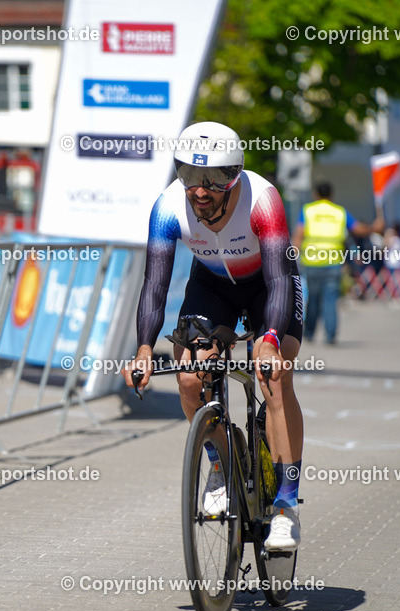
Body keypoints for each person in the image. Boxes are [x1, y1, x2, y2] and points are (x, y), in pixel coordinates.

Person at [122, 122, 305, 551]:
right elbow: (154, 285)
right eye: (188, 176)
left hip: (269, 286)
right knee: (189, 377)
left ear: (235, 176)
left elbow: (280, 279)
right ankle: (220, 467)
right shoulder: (168, 207)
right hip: (212, 286)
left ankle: (285, 505)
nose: (200, 191)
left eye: (215, 179)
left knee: (273, 376)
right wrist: (145, 349)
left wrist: (272, 340)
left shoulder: (263, 200)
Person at [292, 181, 383, 344]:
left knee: (313, 299)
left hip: (312, 262)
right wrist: (374, 228)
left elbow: (299, 235)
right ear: (331, 195)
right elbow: (357, 229)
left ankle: (309, 333)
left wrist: (291, 257)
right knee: (331, 299)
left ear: (315, 194)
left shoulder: (308, 211)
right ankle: (331, 335)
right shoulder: (339, 212)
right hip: (333, 262)